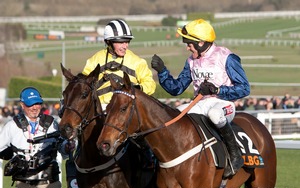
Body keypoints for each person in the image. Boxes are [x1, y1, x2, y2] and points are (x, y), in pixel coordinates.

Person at [151, 19, 250, 178]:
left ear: (202, 42)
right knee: (175, 117)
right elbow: (176, 89)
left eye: (189, 43)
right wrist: (162, 71)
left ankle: (235, 156)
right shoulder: (191, 61)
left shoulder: (226, 57)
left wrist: (217, 89)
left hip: (223, 104)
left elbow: (245, 88)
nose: (187, 46)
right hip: (200, 104)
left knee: (215, 115)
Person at [0, 87, 75, 188]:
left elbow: (62, 147)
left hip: (51, 185)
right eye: (30, 104)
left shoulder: (52, 123)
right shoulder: (12, 126)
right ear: (22, 105)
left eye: (38, 103)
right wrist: (10, 156)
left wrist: (68, 147)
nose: (35, 107)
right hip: (24, 186)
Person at [82, 19, 156, 110]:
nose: (125, 46)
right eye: (121, 42)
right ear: (108, 42)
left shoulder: (138, 62)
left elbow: (150, 84)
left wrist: (137, 88)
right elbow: (83, 86)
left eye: (127, 41)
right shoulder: (93, 61)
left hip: (127, 110)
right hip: (98, 110)